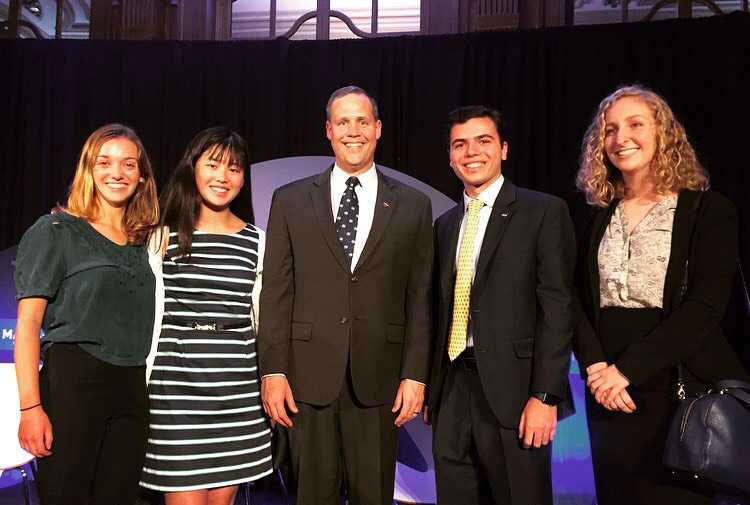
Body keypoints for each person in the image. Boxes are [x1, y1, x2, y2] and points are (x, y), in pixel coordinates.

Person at [574, 84, 750, 505]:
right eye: (610, 130)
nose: (621, 138)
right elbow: (575, 300)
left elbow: (705, 308)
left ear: (663, 133)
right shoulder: (595, 216)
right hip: (608, 396)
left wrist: (627, 370)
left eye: (635, 125)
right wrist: (598, 367)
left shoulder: (709, 211)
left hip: (678, 389)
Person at [258, 85, 433, 505]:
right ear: (328, 130)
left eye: (361, 121)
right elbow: (277, 292)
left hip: (379, 382)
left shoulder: (413, 205)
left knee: (373, 496)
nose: (352, 131)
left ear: (377, 129)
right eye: (342, 122)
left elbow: (420, 297)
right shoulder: (291, 200)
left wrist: (415, 374)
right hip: (307, 380)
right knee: (312, 496)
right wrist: (273, 370)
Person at [427, 105, 576, 505]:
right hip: (453, 390)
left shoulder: (543, 212)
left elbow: (558, 308)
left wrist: (546, 396)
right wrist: (433, 392)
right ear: (450, 156)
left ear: (504, 149)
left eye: (483, 141)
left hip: (517, 394)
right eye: (460, 144)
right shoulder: (444, 225)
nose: (471, 152)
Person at [14, 123, 159, 505]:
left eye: (129, 164)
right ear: (88, 170)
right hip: (73, 384)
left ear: (142, 176)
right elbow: (28, 327)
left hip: (131, 388)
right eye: (105, 162)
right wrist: (31, 408)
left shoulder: (146, 242)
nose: (117, 172)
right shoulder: (57, 230)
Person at [139, 127, 272, 504]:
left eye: (233, 168)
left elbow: (263, 319)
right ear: (192, 168)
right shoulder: (160, 237)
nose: (223, 177)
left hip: (237, 391)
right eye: (213, 165)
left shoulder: (257, 242)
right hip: (176, 391)